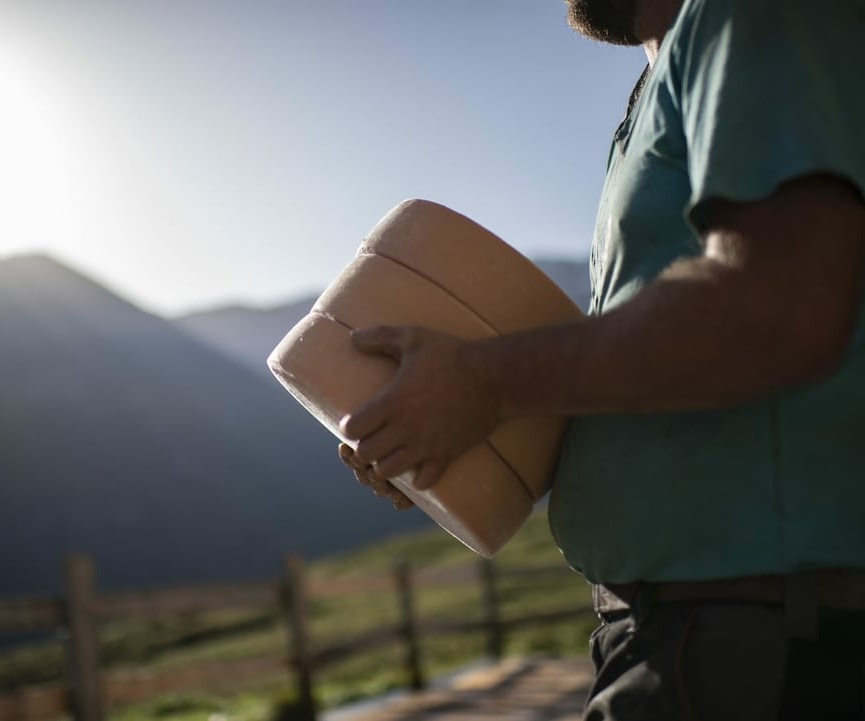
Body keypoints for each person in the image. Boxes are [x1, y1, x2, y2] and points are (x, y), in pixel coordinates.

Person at [339, 0, 865, 718]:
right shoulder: (656, 86)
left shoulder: (749, 14)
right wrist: (444, 429)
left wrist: (484, 382)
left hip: (751, 638)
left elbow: (778, 306)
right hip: (689, 634)